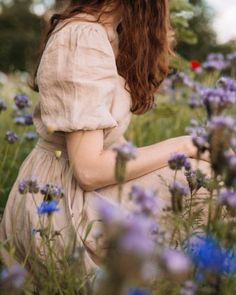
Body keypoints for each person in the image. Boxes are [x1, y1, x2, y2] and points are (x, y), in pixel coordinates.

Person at [0, 0, 210, 283]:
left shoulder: (107, 33)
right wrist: (184, 146)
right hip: (61, 204)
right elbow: (88, 170)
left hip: (76, 187)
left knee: (209, 177)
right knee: (203, 181)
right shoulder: (83, 38)